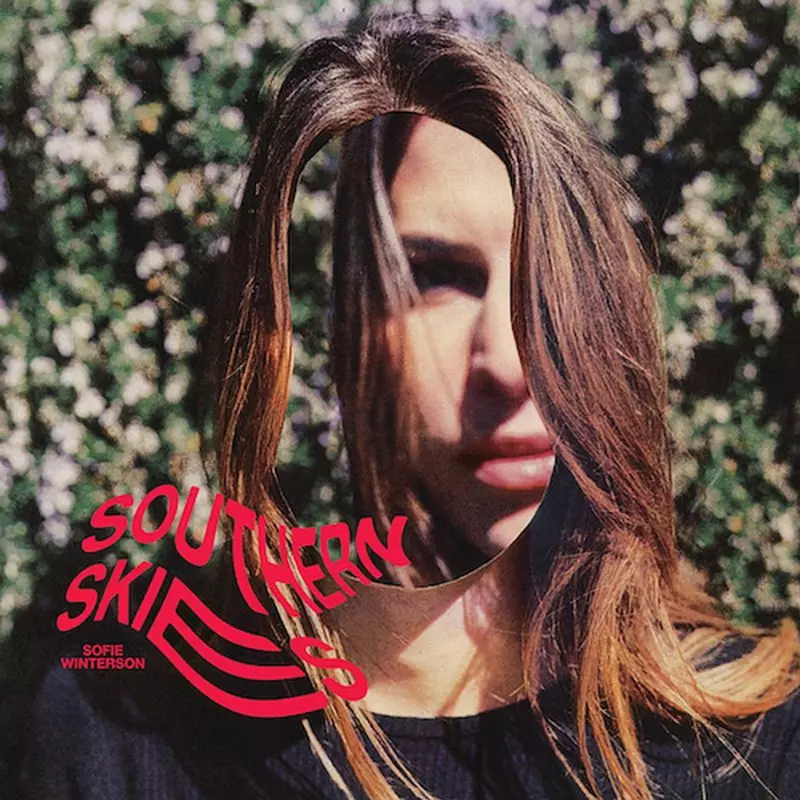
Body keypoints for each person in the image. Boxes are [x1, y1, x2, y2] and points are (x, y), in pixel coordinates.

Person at [18, 13, 800, 800]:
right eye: (437, 277)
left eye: (550, 280)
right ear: (348, 331)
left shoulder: (759, 748)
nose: (509, 362)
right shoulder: (125, 734)